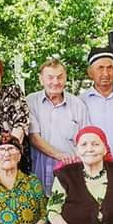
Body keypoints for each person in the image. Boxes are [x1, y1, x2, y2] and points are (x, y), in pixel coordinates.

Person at [26, 59, 89, 191]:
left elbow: (86, 139)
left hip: (71, 175)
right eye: (50, 77)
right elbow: (34, 138)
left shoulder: (77, 104)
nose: (55, 82)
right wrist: (60, 156)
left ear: (65, 78)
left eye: (60, 77)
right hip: (39, 176)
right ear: (41, 79)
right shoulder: (30, 102)